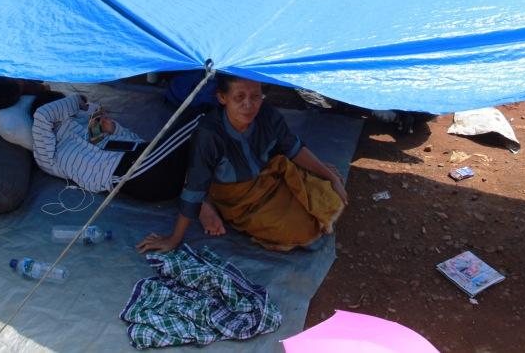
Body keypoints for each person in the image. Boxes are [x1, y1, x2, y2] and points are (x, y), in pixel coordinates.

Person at [137, 75, 347, 254]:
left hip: (269, 176)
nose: (249, 105)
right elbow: (194, 188)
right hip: (237, 198)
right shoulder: (209, 134)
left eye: (255, 96)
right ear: (222, 98)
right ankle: (207, 204)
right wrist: (174, 239)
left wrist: (332, 178)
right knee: (303, 230)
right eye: (239, 97)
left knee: (329, 195)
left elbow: (293, 148)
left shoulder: (267, 114)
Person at [30, 90, 197, 201]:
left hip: (148, 159)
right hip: (134, 175)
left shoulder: (88, 128)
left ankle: (202, 197)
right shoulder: (49, 155)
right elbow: (43, 114)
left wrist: (115, 130)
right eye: (66, 109)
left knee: (196, 132)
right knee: (197, 117)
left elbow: (136, 142)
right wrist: (78, 101)